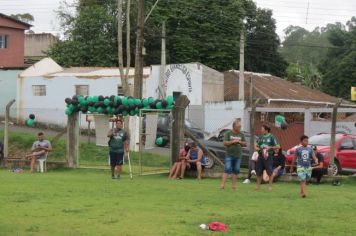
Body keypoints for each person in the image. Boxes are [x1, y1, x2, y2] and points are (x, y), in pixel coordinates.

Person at [220, 120, 246, 189]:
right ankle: (222, 185)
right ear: (234, 126)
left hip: (238, 155)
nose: (240, 128)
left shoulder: (241, 134)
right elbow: (225, 143)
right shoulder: (228, 133)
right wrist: (233, 141)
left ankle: (234, 186)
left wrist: (240, 142)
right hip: (229, 155)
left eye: (240, 126)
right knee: (227, 169)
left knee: (236, 171)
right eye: (239, 126)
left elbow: (245, 144)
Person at [255, 125, 280, 191]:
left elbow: (278, 146)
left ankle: (270, 187)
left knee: (269, 172)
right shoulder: (260, 137)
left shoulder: (271, 137)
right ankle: (257, 187)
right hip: (260, 156)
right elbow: (256, 146)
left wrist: (270, 148)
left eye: (262, 129)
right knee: (259, 172)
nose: (261, 130)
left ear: (266, 130)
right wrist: (259, 149)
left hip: (268, 157)